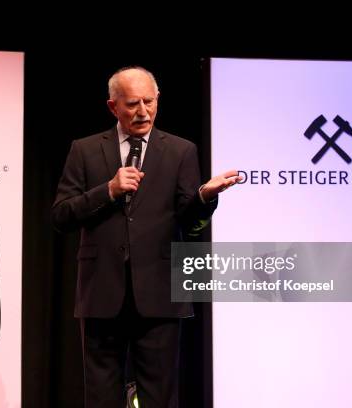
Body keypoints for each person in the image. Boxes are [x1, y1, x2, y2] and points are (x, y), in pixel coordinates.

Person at [51, 66, 240, 407]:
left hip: (160, 293)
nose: (143, 112)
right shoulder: (85, 149)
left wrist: (204, 197)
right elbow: (61, 216)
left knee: (160, 395)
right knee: (100, 396)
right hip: (101, 293)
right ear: (113, 107)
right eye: (133, 104)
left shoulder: (181, 151)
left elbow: (190, 222)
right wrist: (107, 190)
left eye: (149, 102)